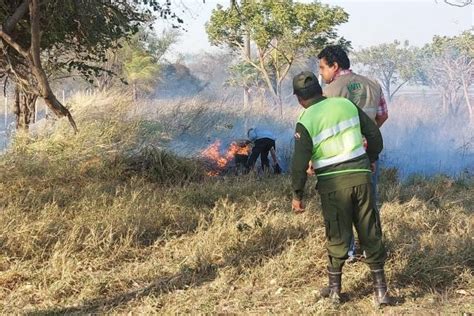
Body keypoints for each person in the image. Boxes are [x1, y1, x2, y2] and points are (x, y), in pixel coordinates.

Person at [291, 71, 390, 306]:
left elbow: (298, 163)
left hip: (333, 185)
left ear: (299, 98)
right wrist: (372, 156)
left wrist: (297, 194)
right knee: (370, 230)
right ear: (320, 90)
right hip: (361, 178)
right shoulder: (346, 104)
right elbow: (374, 134)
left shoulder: (305, 120)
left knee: (337, 234)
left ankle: (335, 293)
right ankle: (381, 292)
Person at [318, 45, 389, 262]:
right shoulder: (373, 84)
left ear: (335, 66)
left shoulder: (329, 92)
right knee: (368, 205)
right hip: (367, 156)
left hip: (341, 158)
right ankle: (371, 250)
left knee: (341, 206)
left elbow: (323, 126)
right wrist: (368, 138)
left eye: (322, 68)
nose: (321, 73)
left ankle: (346, 252)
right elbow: (383, 115)